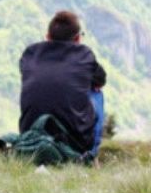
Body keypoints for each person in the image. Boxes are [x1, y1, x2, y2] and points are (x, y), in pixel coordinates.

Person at [19, 11, 106, 159]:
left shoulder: (30, 54)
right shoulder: (84, 54)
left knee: (39, 89)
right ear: (78, 39)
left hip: (31, 136)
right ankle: (89, 155)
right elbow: (101, 80)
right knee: (96, 92)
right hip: (75, 142)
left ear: (47, 37)